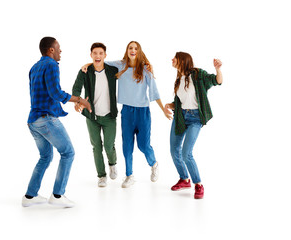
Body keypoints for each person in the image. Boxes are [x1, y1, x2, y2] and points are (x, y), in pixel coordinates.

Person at [84, 41, 170, 188]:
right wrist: (87, 64)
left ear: (139, 51)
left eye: (136, 48)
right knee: (127, 146)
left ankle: (154, 163)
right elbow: (100, 62)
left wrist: (163, 109)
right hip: (127, 112)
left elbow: (154, 93)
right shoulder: (120, 65)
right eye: (130, 48)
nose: (133, 50)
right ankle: (129, 175)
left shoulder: (146, 70)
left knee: (143, 145)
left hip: (142, 112)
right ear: (127, 50)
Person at [22, 37, 91, 208]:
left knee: (45, 157)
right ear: (51, 50)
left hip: (33, 120)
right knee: (68, 153)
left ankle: (29, 196)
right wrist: (80, 99)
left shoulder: (34, 67)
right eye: (58, 48)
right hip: (46, 119)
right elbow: (55, 93)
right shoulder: (51, 65)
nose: (61, 51)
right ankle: (58, 194)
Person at [164, 52, 223, 199]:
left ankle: (198, 184)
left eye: (174, 58)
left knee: (186, 153)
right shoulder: (179, 79)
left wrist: (218, 69)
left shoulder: (198, 75)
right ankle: (184, 179)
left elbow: (217, 81)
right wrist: (168, 105)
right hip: (181, 117)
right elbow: (179, 102)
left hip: (195, 118)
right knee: (174, 150)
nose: (172, 59)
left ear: (182, 60)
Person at [72, 42, 119, 187]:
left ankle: (112, 163)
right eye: (95, 53)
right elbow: (77, 87)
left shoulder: (112, 70)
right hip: (92, 116)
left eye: (101, 53)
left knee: (109, 146)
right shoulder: (85, 71)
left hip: (109, 116)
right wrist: (77, 101)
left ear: (105, 55)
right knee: (96, 146)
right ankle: (101, 175)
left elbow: (128, 67)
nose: (98, 56)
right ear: (91, 55)